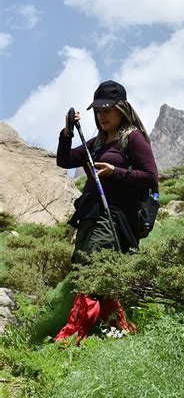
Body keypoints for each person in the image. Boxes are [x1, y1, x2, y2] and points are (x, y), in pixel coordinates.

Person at [55, 80, 158, 342]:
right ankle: (120, 330)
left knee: (91, 270)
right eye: (98, 111)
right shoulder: (97, 143)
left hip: (115, 217)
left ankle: (70, 338)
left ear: (121, 109)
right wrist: (67, 132)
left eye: (107, 110)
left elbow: (150, 178)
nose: (102, 115)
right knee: (93, 272)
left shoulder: (132, 139)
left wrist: (116, 172)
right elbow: (64, 160)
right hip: (90, 216)